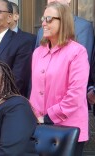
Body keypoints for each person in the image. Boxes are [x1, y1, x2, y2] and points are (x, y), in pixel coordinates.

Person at [30, 2, 89, 155]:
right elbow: (35, 91)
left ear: (63, 21)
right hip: (39, 127)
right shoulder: (38, 52)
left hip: (68, 129)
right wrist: (34, 115)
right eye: (43, 18)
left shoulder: (77, 52)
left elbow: (76, 94)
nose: (43, 23)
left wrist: (49, 117)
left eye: (49, 19)